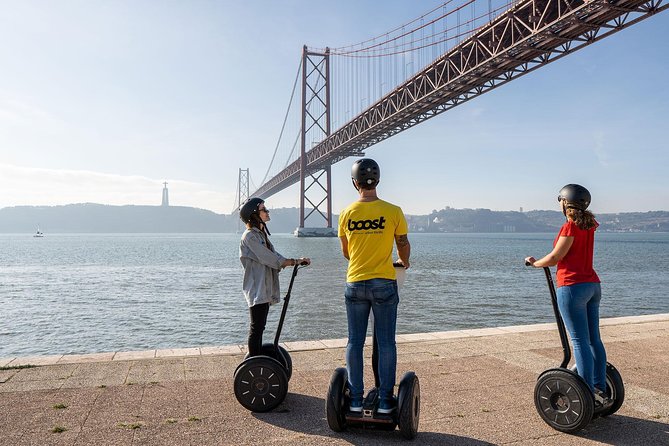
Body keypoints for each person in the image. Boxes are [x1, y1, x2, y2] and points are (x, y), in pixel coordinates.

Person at [525, 184, 610, 406]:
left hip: (572, 287)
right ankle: (600, 387)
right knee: (594, 340)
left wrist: (535, 263)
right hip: (593, 285)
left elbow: (555, 257)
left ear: (565, 203)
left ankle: (587, 392)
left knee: (580, 341)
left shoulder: (569, 227)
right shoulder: (590, 225)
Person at [338, 158, 411, 415]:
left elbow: (346, 252)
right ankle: (384, 401)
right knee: (386, 342)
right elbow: (402, 243)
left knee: (354, 341)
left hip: (355, 282)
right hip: (384, 283)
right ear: (377, 180)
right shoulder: (393, 211)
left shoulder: (346, 213)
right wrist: (404, 261)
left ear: (354, 183)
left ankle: (355, 400)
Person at [239, 197, 310, 357]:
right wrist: (291, 262)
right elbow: (270, 258)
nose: (267, 212)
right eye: (264, 210)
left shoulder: (260, 235)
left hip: (263, 287)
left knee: (259, 326)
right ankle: (254, 364)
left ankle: (256, 360)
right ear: (254, 215)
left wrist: (296, 261)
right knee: (256, 327)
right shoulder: (250, 237)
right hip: (257, 288)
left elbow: (274, 256)